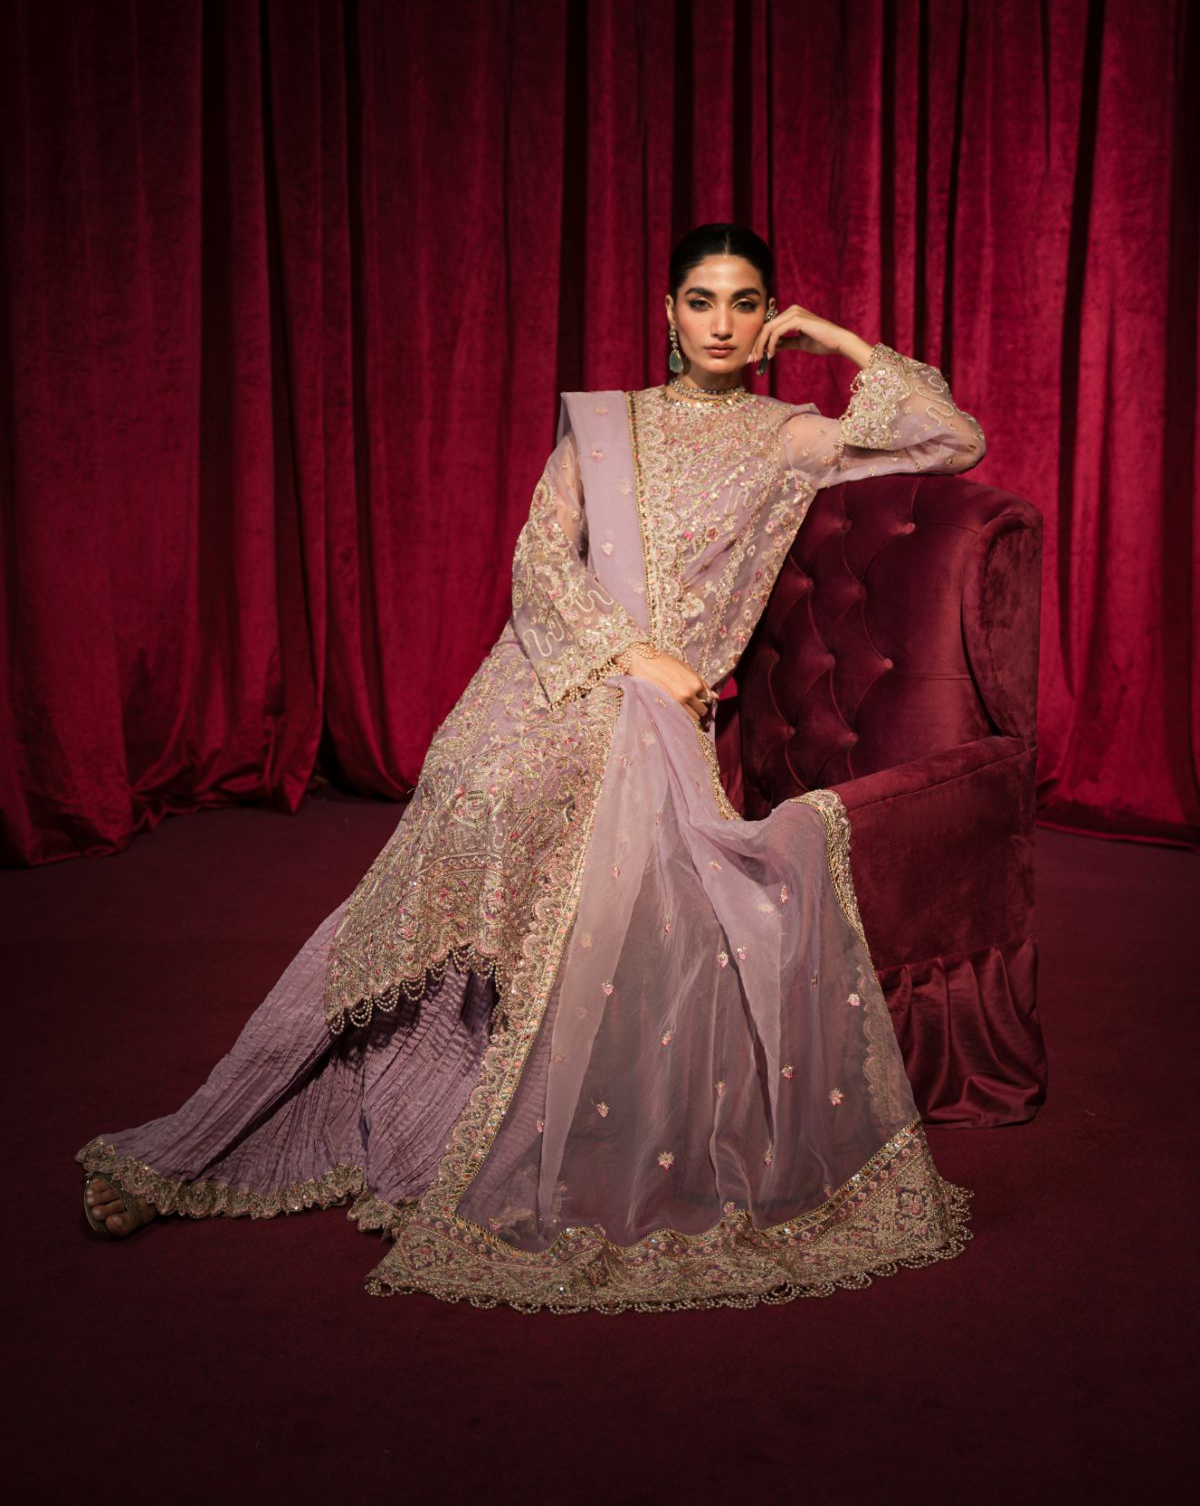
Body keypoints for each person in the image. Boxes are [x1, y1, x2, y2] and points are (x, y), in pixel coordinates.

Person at [79, 223, 985, 1313]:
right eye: (701, 300)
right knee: (461, 805)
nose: (722, 323)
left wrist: (831, 336)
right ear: (667, 312)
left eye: (746, 303)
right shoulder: (607, 425)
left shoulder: (787, 437)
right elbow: (540, 557)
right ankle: (208, 1134)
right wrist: (632, 653)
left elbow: (951, 439)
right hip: (550, 672)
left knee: (547, 841)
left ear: (766, 320)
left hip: (651, 718)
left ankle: (478, 1105)